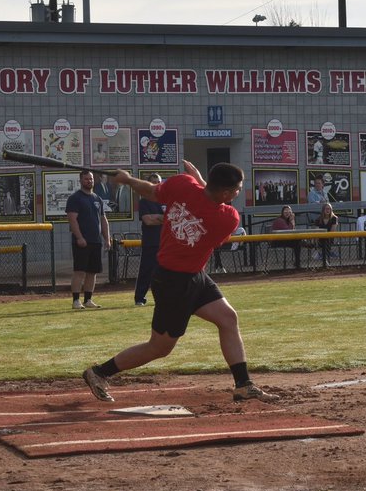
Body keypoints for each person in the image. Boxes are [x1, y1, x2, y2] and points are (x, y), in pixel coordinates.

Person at [81, 161, 278, 403]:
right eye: (236, 189)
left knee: (228, 318)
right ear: (226, 193)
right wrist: (201, 183)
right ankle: (99, 372)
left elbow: (153, 191)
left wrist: (129, 180)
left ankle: (243, 384)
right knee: (160, 347)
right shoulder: (227, 217)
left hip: (193, 276)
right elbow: (209, 204)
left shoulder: (184, 183)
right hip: (173, 282)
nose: (238, 193)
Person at [66, 169, 110, 310]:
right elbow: (72, 220)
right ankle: (75, 301)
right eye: (86, 179)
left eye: (91, 179)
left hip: (96, 241)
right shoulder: (75, 198)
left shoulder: (97, 198)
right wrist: (79, 237)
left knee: (92, 272)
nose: (89, 181)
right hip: (82, 241)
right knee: (79, 271)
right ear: (80, 180)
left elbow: (103, 220)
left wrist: (107, 239)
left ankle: (88, 299)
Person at [134, 174, 164, 306]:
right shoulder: (144, 201)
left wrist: (157, 217)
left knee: (165, 273)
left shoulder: (166, 200)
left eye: (158, 182)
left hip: (165, 243)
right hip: (151, 242)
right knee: (146, 270)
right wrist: (164, 218)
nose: (156, 184)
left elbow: (173, 218)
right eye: (153, 182)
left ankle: (164, 297)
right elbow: (148, 220)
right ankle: (139, 298)